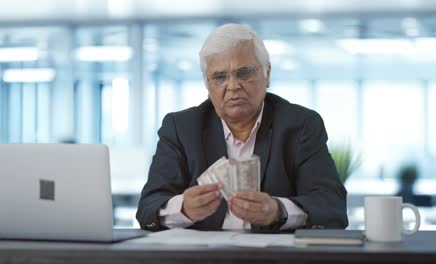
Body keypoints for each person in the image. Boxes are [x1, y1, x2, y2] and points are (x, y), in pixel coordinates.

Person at [137, 23, 348, 232]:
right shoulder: (181, 128)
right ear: (206, 84)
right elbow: (148, 208)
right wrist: (183, 209)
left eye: (243, 73)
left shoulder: (300, 125)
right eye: (220, 77)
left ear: (267, 73)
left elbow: (332, 206)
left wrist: (278, 210)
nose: (232, 86)